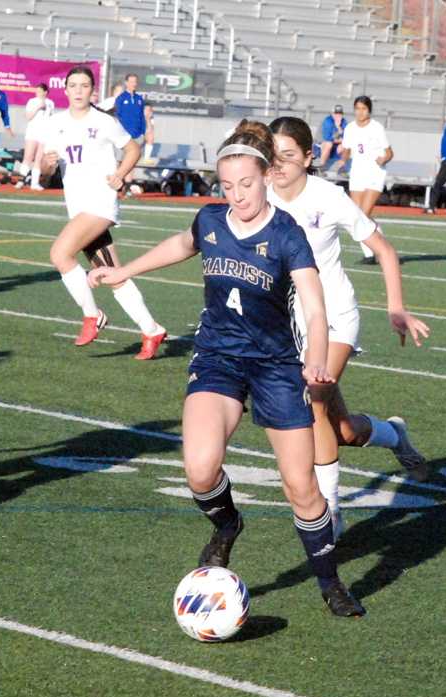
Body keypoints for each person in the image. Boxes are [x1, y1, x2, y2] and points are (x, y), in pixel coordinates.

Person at [89, 121, 365, 617]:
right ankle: (227, 523)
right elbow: (181, 243)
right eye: (228, 186)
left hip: (278, 365)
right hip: (218, 357)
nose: (238, 195)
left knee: (302, 489)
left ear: (266, 177)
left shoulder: (286, 234)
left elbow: (315, 308)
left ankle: (330, 583)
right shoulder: (211, 220)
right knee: (198, 469)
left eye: (247, 184)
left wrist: (317, 360)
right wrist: (124, 270)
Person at [267, 116, 431, 539]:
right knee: (341, 432)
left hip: (336, 316)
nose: (279, 164)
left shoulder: (329, 197)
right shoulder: (258, 195)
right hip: (291, 325)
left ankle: (330, 513)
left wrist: (396, 308)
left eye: (288, 155)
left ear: (308, 157)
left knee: (312, 402)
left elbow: (385, 250)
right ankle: (394, 434)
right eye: (272, 156)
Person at [39, 66, 166, 360]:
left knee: (60, 254)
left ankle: (92, 315)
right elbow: (46, 174)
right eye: (74, 85)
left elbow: (132, 149)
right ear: (66, 89)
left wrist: (121, 174)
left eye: (85, 86)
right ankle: (151, 329)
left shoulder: (104, 121)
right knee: (114, 275)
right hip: (78, 206)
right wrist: (46, 163)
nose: (79, 91)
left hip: (100, 203)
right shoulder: (56, 124)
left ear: (92, 90)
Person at [338, 96, 392, 265]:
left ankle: (373, 254)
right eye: (357, 108)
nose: (360, 112)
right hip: (357, 174)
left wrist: (383, 159)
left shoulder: (377, 128)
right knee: (358, 216)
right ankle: (377, 251)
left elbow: (389, 153)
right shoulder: (350, 128)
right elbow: (347, 150)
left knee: (364, 214)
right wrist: (343, 159)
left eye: (363, 108)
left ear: (369, 110)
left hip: (375, 173)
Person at [15, 82, 55, 191]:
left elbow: (50, 118)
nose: (37, 93)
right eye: (36, 91)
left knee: (39, 158)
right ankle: (21, 180)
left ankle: (35, 182)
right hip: (32, 132)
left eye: (40, 91)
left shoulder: (50, 103)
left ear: (45, 92)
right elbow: (28, 117)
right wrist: (38, 107)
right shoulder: (32, 102)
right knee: (28, 157)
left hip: (44, 133)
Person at [113, 74, 148, 189]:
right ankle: (117, 184)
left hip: (137, 135)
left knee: (132, 162)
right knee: (119, 161)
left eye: (135, 82)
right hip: (123, 136)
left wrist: (143, 132)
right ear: (126, 83)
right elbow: (117, 115)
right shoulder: (121, 98)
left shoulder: (139, 99)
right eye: (131, 81)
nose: (133, 84)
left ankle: (127, 187)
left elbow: (142, 117)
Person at [317, 104, 346, 169]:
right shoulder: (328, 121)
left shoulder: (343, 122)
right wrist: (339, 134)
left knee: (345, 146)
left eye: (340, 113)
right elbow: (327, 139)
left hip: (335, 144)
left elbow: (346, 137)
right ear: (332, 114)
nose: (338, 115)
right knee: (329, 144)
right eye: (336, 113)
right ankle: (321, 167)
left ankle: (341, 169)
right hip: (321, 144)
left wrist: (339, 127)